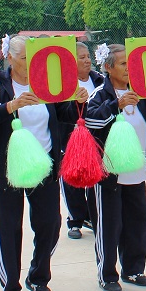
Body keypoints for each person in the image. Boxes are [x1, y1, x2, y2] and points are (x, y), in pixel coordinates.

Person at [0, 35, 79, 291]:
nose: (30, 62)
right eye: (24, 58)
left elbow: (64, 113)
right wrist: (11, 106)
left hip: (43, 165)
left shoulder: (46, 80)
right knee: (9, 228)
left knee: (50, 223)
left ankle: (38, 276)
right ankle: (11, 287)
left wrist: (77, 102)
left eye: (33, 57)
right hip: (6, 168)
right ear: (9, 57)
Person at [84, 44, 146, 291]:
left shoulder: (139, 90)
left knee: (137, 223)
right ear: (108, 67)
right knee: (109, 226)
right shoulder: (100, 94)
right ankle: (107, 275)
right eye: (123, 64)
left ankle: (134, 270)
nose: (128, 69)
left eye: (131, 64)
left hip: (135, 170)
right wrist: (117, 104)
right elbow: (91, 121)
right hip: (109, 174)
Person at [61, 42, 104, 239]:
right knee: (73, 180)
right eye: (82, 57)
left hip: (95, 138)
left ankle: (94, 217)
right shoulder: (62, 84)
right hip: (71, 138)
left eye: (88, 56)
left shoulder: (99, 80)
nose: (87, 60)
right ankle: (75, 220)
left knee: (95, 179)